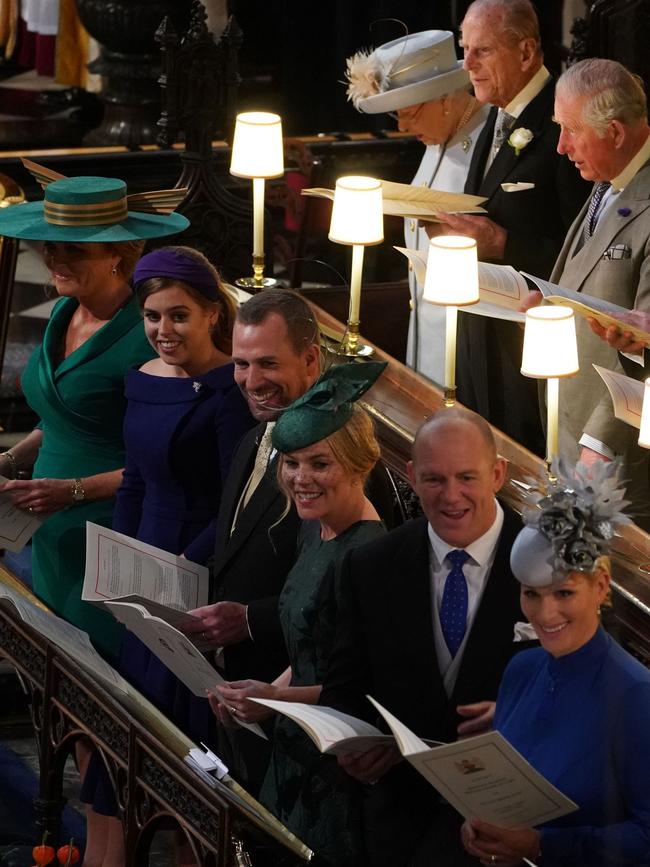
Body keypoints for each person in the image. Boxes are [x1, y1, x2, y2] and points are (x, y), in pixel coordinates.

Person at [320, 407, 529, 867]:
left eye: (467, 478)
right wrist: (355, 748)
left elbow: (583, 701)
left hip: (504, 831)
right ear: (411, 476)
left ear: (497, 474)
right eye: (434, 479)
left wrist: (519, 716)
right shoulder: (370, 565)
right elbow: (345, 687)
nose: (451, 496)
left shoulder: (548, 564)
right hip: (398, 828)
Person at [0, 162, 188, 661]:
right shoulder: (65, 310)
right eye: (51, 246)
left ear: (118, 256)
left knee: (101, 685)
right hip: (47, 528)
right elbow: (61, 415)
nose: (55, 260)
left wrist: (72, 490)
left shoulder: (147, 335)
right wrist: (12, 459)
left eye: (74, 250)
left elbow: (167, 458)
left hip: (110, 531)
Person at [208, 362, 388, 866]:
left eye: (319, 464)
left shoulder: (370, 556)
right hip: (294, 746)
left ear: (358, 464)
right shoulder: (313, 527)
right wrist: (261, 693)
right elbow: (307, 646)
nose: (300, 479)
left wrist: (276, 698)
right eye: (290, 463)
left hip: (336, 771)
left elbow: (360, 688)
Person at [461, 459, 650, 866]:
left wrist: (539, 846)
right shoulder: (521, 670)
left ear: (600, 587)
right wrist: (481, 821)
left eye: (563, 593)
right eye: (532, 594)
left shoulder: (637, 695)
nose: (545, 615)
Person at [434, 0, 590, 455]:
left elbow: (584, 248)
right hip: (477, 334)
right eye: (465, 49)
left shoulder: (559, 122)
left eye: (482, 50)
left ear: (525, 53)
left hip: (528, 348)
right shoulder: (495, 116)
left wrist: (504, 243)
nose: (468, 64)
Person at [521, 58, 650, 526]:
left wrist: (597, 447)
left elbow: (644, 351)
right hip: (570, 434)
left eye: (571, 130)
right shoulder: (605, 182)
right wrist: (552, 300)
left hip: (615, 460)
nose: (560, 146)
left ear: (615, 133)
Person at [345, 29, 489, 383]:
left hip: (470, 340)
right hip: (424, 331)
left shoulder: (489, 141)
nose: (404, 126)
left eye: (408, 112)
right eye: (397, 116)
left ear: (444, 99)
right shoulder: (437, 138)